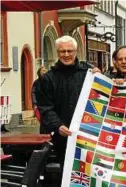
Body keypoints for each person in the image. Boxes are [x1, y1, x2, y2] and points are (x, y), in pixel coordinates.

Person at [37, 35, 100, 172]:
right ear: (57, 52)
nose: (66, 54)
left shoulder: (88, 73)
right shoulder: (48, 78)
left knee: (91, 171)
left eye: (69, 51)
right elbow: (46, 108)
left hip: (89, 133)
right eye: (62, 51)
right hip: (63, 137)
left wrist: (101, 79)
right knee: (67, 172)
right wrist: (58, 125)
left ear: (75, 52)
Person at [31, 66, 48, 133]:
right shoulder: (36, 82)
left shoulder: (49, 81)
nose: (44, 72)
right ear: (39, 72)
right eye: (43, 70)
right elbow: (33, 93)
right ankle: (42, 135)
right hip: (40, 105)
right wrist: (35, 104)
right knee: (42, 121)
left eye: (45, 70)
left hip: (48, 105)